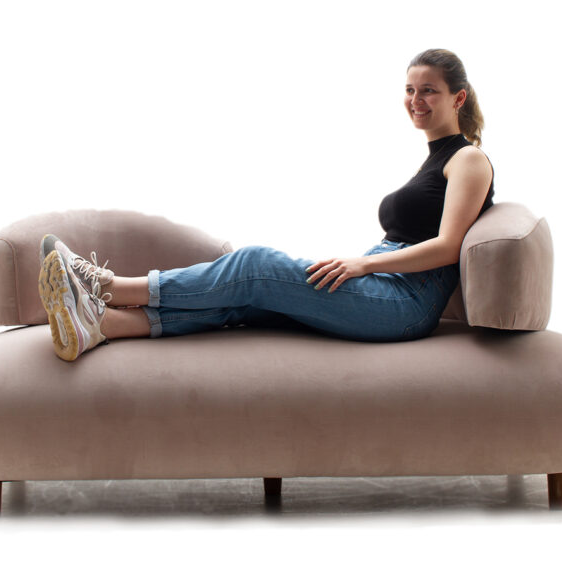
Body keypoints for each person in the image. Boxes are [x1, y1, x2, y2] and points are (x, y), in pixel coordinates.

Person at [37, 48, 495, 362]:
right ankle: (103, 326)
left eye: (429, 91)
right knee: (245, 300)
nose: (416, 101)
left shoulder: (469, 159)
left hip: (405, 303)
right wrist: (365, 265)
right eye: (411, 90)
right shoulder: (434, 161)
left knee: (255, 264)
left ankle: (108, 286)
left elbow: (449, 246)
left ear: (458, 97)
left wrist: (363, 266)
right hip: (388, 287)